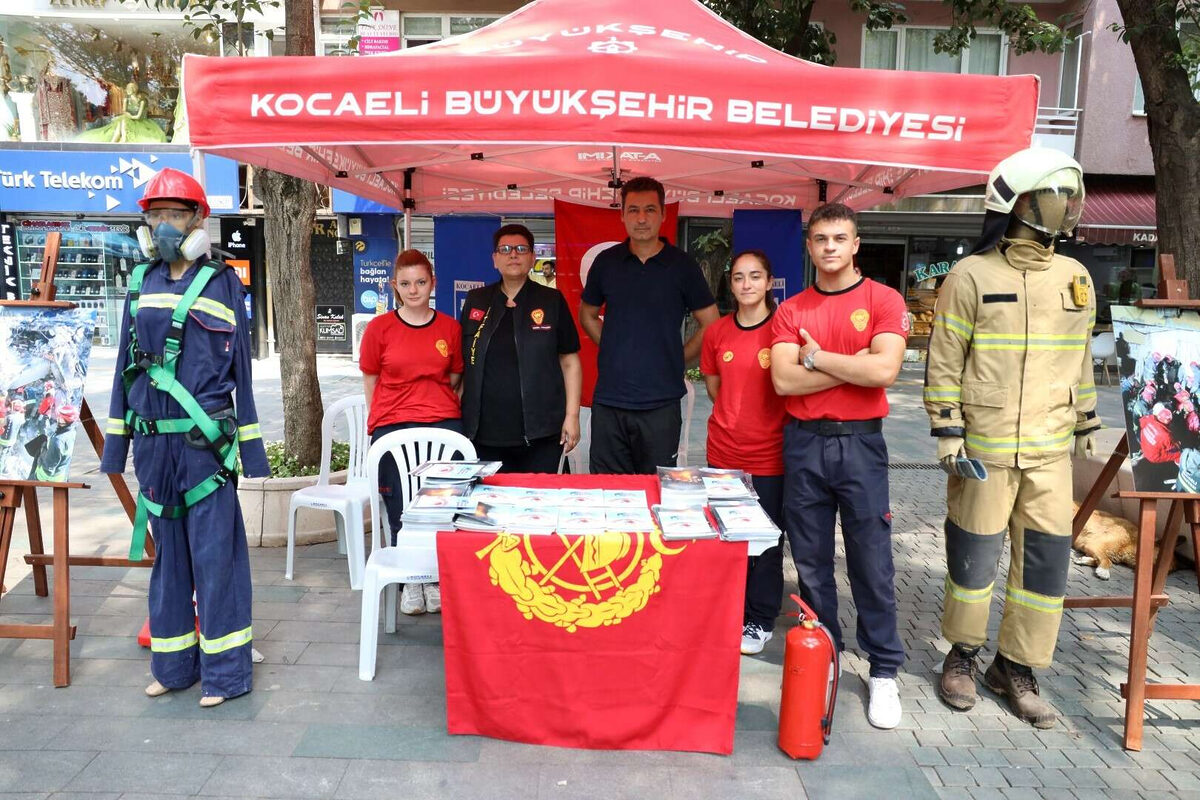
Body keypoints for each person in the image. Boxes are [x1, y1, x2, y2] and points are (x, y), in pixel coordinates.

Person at [925, 147, 1099, 729]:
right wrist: (947, 431)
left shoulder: (1076, 278)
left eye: (1072, 193)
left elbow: (1080, 360)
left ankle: (1016, 668)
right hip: (985, 449)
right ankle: (963, 657)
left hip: (1051, 452)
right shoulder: (971, 275)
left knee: (1046, 569)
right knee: (973, 560)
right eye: (1058, 193)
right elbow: (945, 359)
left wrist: (1088, 424)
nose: (1070, 205)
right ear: (1020, 201)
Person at [101, 167, 269, 707]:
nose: (165, 224)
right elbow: (125, 367)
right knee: (168, 559)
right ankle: (173, 668)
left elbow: (242, 370)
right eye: (156, 215)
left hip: (205, 447)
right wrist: (116, 446)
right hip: (154, 448)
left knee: (217, 557)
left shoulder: (224, 283)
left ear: (199, 221)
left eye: (176, 214)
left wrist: (250, 451)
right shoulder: (139, 283)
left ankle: (226, 675)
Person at [770, 202, 909, 730]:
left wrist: (818, 358)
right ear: (809, 246)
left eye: (839, 238)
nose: (829, 247)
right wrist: (854, 368)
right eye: (820, 238)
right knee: (810, 563)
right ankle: (825, 651)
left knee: (872, 561)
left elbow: (886, 370)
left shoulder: (882, 299)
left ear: (855, 244)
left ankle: (883, 671)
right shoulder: (792, 310)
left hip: (860, 446)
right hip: (803, 443)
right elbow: (784, 383)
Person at [579, 176, 719, 474]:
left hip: (661, 403)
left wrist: (677, 359)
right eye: (633, 210)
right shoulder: (606, 262)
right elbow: (587, 314)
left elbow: (710, 323)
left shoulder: (682, 266)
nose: (641, 218)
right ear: (622, 215)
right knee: (608, 492)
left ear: (664, 214)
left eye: (650, 210)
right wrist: (614, 345)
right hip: (610, 401)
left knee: (655, 491)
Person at [359, 249, 464, 616]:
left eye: (421, 282)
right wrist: (383, 419)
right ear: (394, 287)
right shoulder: (379, 329)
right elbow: (371, 379)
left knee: (441, 505)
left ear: (432, 283)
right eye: (405, 283)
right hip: (392, 425)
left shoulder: (450, 328)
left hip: (442, 423)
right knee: (400, 505)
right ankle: (410, 582)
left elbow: (453, 377)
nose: (414, 289)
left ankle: (435, 576)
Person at [700, 250, 789, 655]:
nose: (747, 284)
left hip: (770, 453)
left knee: (766, 541)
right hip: (723, 453)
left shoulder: (784, 329)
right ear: (730, 285)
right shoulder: (717, 332)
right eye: (738, 277)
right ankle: (728, 610)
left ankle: (759, 618)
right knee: (728, 537)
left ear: (769, 282)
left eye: (755, 276)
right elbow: (715, 387)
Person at [459, 224, 582, 472]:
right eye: (504, 249)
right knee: (488, 505)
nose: (513, 254)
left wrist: (572, 416)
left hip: (541, 433)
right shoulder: (477, 300)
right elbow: (463, 363)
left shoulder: (551, 301)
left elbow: (570, 362)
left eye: (521, 249)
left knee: (536, 506)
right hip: (484, 433)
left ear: (533, 257)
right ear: (495, 259)